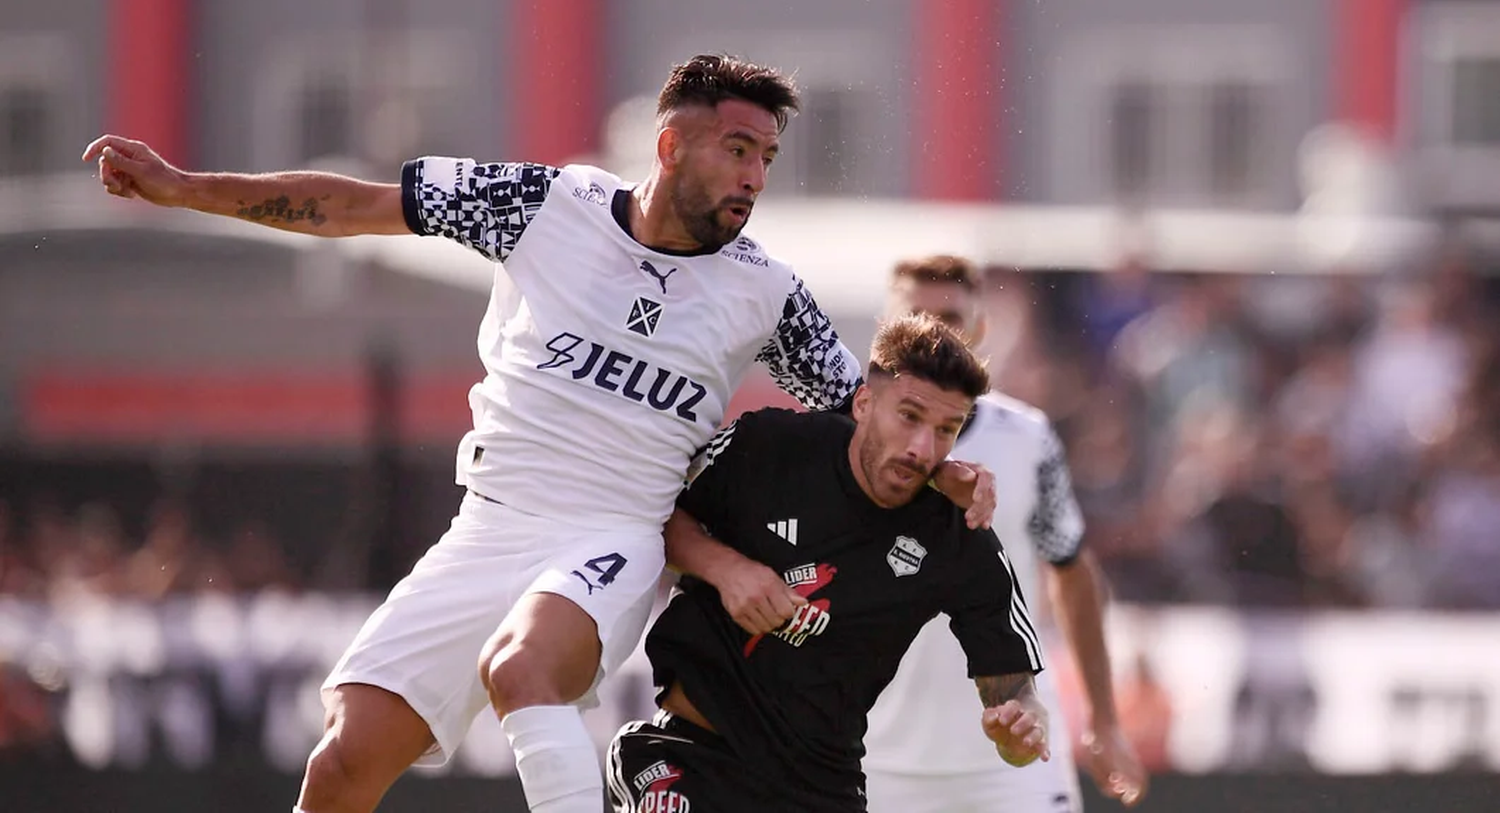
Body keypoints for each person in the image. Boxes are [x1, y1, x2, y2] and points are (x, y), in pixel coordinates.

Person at [82, 55, 993, 813]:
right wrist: (184, 188)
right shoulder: (544, 206)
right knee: (343, 765)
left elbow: (866, 410)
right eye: (738, 149)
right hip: (489, 524)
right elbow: (352, 205)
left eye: (768, 157)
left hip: (615, 536)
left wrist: (947, 467)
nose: (755, 177)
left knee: (523, 669)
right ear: (672, 146)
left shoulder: (763, 290)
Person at [606, 314, 1049, 812]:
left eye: (947, 430)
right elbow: (648, 511)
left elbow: (1013, 691)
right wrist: (723, 568)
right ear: (863, 403)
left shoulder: (960, 536)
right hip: (693, 757)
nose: (923, 448)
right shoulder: (772, 446)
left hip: (822, 786)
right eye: (909, 416)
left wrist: (1020, 732)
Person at [863, 255, 1149, 811]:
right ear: (887, 326)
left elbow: (1070, 568)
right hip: (873, 761)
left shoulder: (1028, 438)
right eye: (916, 314)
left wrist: (1105, 719)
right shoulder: (842, 436)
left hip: (1014, 761)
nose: (934, 331)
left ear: (981, 328)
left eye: (949, 315)